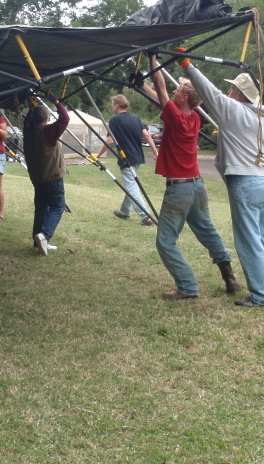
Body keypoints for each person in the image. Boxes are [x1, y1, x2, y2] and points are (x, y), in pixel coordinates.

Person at [179, 52, 264, 308]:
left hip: (245, 183)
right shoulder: (259, 117)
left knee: (249, 241)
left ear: (240, 94)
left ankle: (262, 296)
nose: (228, 91)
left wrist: (188, 66)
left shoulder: (235, 110)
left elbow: (210, 93)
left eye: (232, 88)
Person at [143, 55, 240, 299]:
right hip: (197, 187)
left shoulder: (176, 118)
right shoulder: (194, 118)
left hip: (179, 190)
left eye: (178, 90)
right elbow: (163, 102)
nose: (174, 92)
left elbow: (161, 90)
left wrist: (153, 62)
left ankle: (187, 287)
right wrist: (141, 85)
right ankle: (229, 277)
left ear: (184, 97)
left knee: (165, 242)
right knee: (207, 231)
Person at [98, 94, 158, 226]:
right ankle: (125, 211)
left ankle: (145, 216)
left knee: (131, 187)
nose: (112, 108)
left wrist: (98, 155)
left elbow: (109, 141)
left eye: (113, 105)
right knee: (132, 185)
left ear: (116, 105)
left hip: (126, 158)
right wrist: (155, 152)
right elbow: (147, 135)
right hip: (137, 157)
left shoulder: (114, 120)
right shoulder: (136, 118)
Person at [23, 95, 69, 256]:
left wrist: (31, 109)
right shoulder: (48, 132)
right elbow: (64, 119)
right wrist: (56, 102)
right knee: (57, 206)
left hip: (38, 178)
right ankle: (44, 235)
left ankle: (38, 244)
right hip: (52, 177)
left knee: (41, 209)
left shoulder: (28, 131)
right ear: (46, 119)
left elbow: (27, 121)